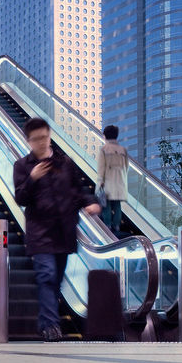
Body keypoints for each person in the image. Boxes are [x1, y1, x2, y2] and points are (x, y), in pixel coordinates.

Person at [13, 117, 102, 342]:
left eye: (44, 137)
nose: (41, 142)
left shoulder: (66, 163)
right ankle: (52, 327)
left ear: (49, 135)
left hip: (64, 231)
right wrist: (32, 179)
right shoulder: (23, 166)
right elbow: (20, 198)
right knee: (46, 276)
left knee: (56, 280)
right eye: (36, 140)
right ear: (29, 141)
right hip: (40, 232)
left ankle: (44, 322)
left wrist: (89, 202)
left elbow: (79, 190)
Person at [96, 124, 129, 235]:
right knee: (117, 205)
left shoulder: (104, 149)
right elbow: (126, 167)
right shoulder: (123, 150)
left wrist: (100, 182)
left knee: (106, 206)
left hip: (107, 182)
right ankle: (117, 225)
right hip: (120, 182)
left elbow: (101, 168)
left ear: (105, 135)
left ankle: (108, 226)